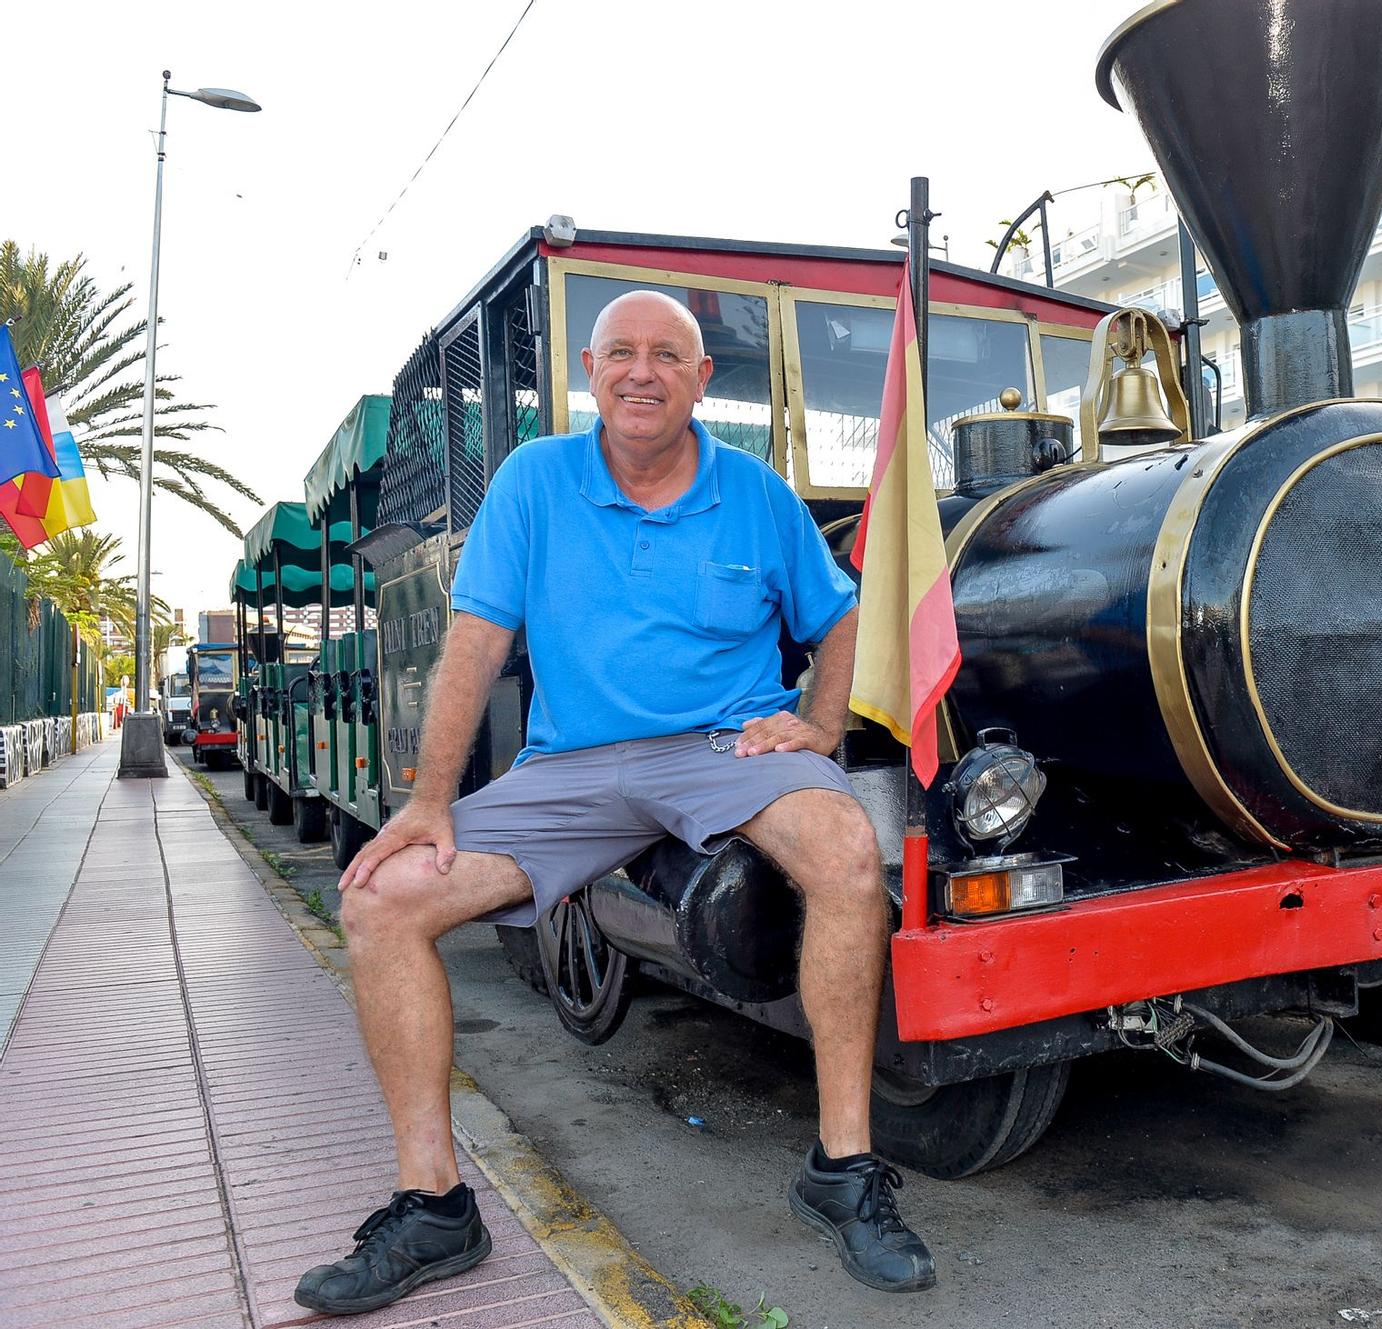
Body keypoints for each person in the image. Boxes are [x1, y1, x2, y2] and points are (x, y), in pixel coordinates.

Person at [293, 291, 934, 1315]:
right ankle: (434, 1207)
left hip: (725, 748)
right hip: (574, 767)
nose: (643, 371)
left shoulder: (756, 494)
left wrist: (816, 726)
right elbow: (474, 641)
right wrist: (425, 802)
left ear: (699, 378)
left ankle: (842, 1167)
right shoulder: (535, 482)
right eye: (623, 354)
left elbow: (842, 615)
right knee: (381, 900)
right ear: (589, 370)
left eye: (667, 355)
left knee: (846, 851)